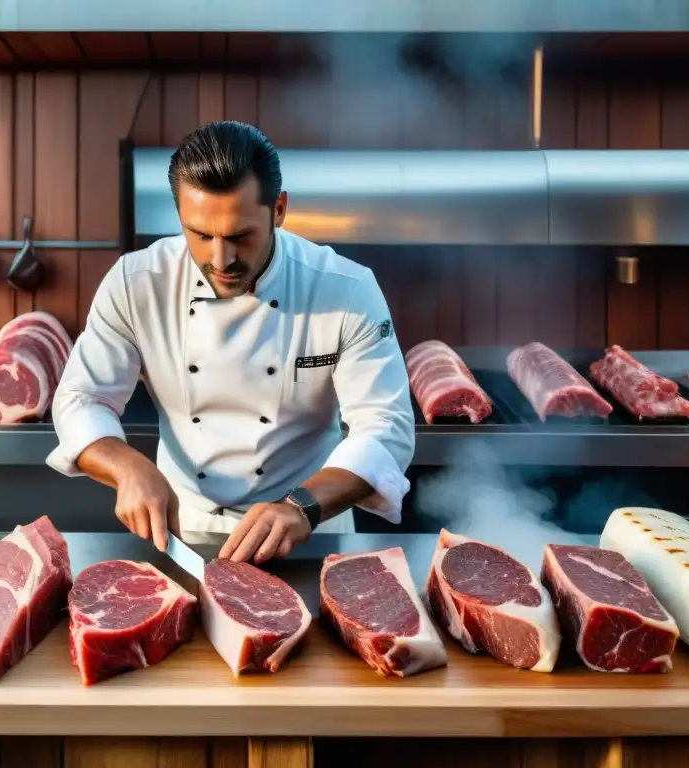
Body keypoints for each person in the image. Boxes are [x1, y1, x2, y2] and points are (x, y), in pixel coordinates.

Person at [46, 120, 414, 564]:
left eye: (241, 236)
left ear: (278, 209)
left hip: (309, 530)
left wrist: (303, 507)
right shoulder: (136, 282)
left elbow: (384, 426)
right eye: (200, 235)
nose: (220, 260)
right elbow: (82, 399)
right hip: (182, 525)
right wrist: (126, 466)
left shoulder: (345, 290)